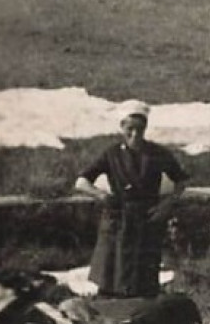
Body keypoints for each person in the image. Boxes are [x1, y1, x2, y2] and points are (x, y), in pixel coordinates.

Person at [73, 100, 189, 298]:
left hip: (147, 220)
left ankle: (141, 313)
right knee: (113, 271)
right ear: (121, 128)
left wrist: (165, 206)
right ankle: (110, 311)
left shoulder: (157, 153)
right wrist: (101, 194)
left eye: (140, 129)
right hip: (118, 219)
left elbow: (181, 182)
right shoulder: (112, 154)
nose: (135, 134)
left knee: (143, 277)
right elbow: (81, 182)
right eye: (130, 129)